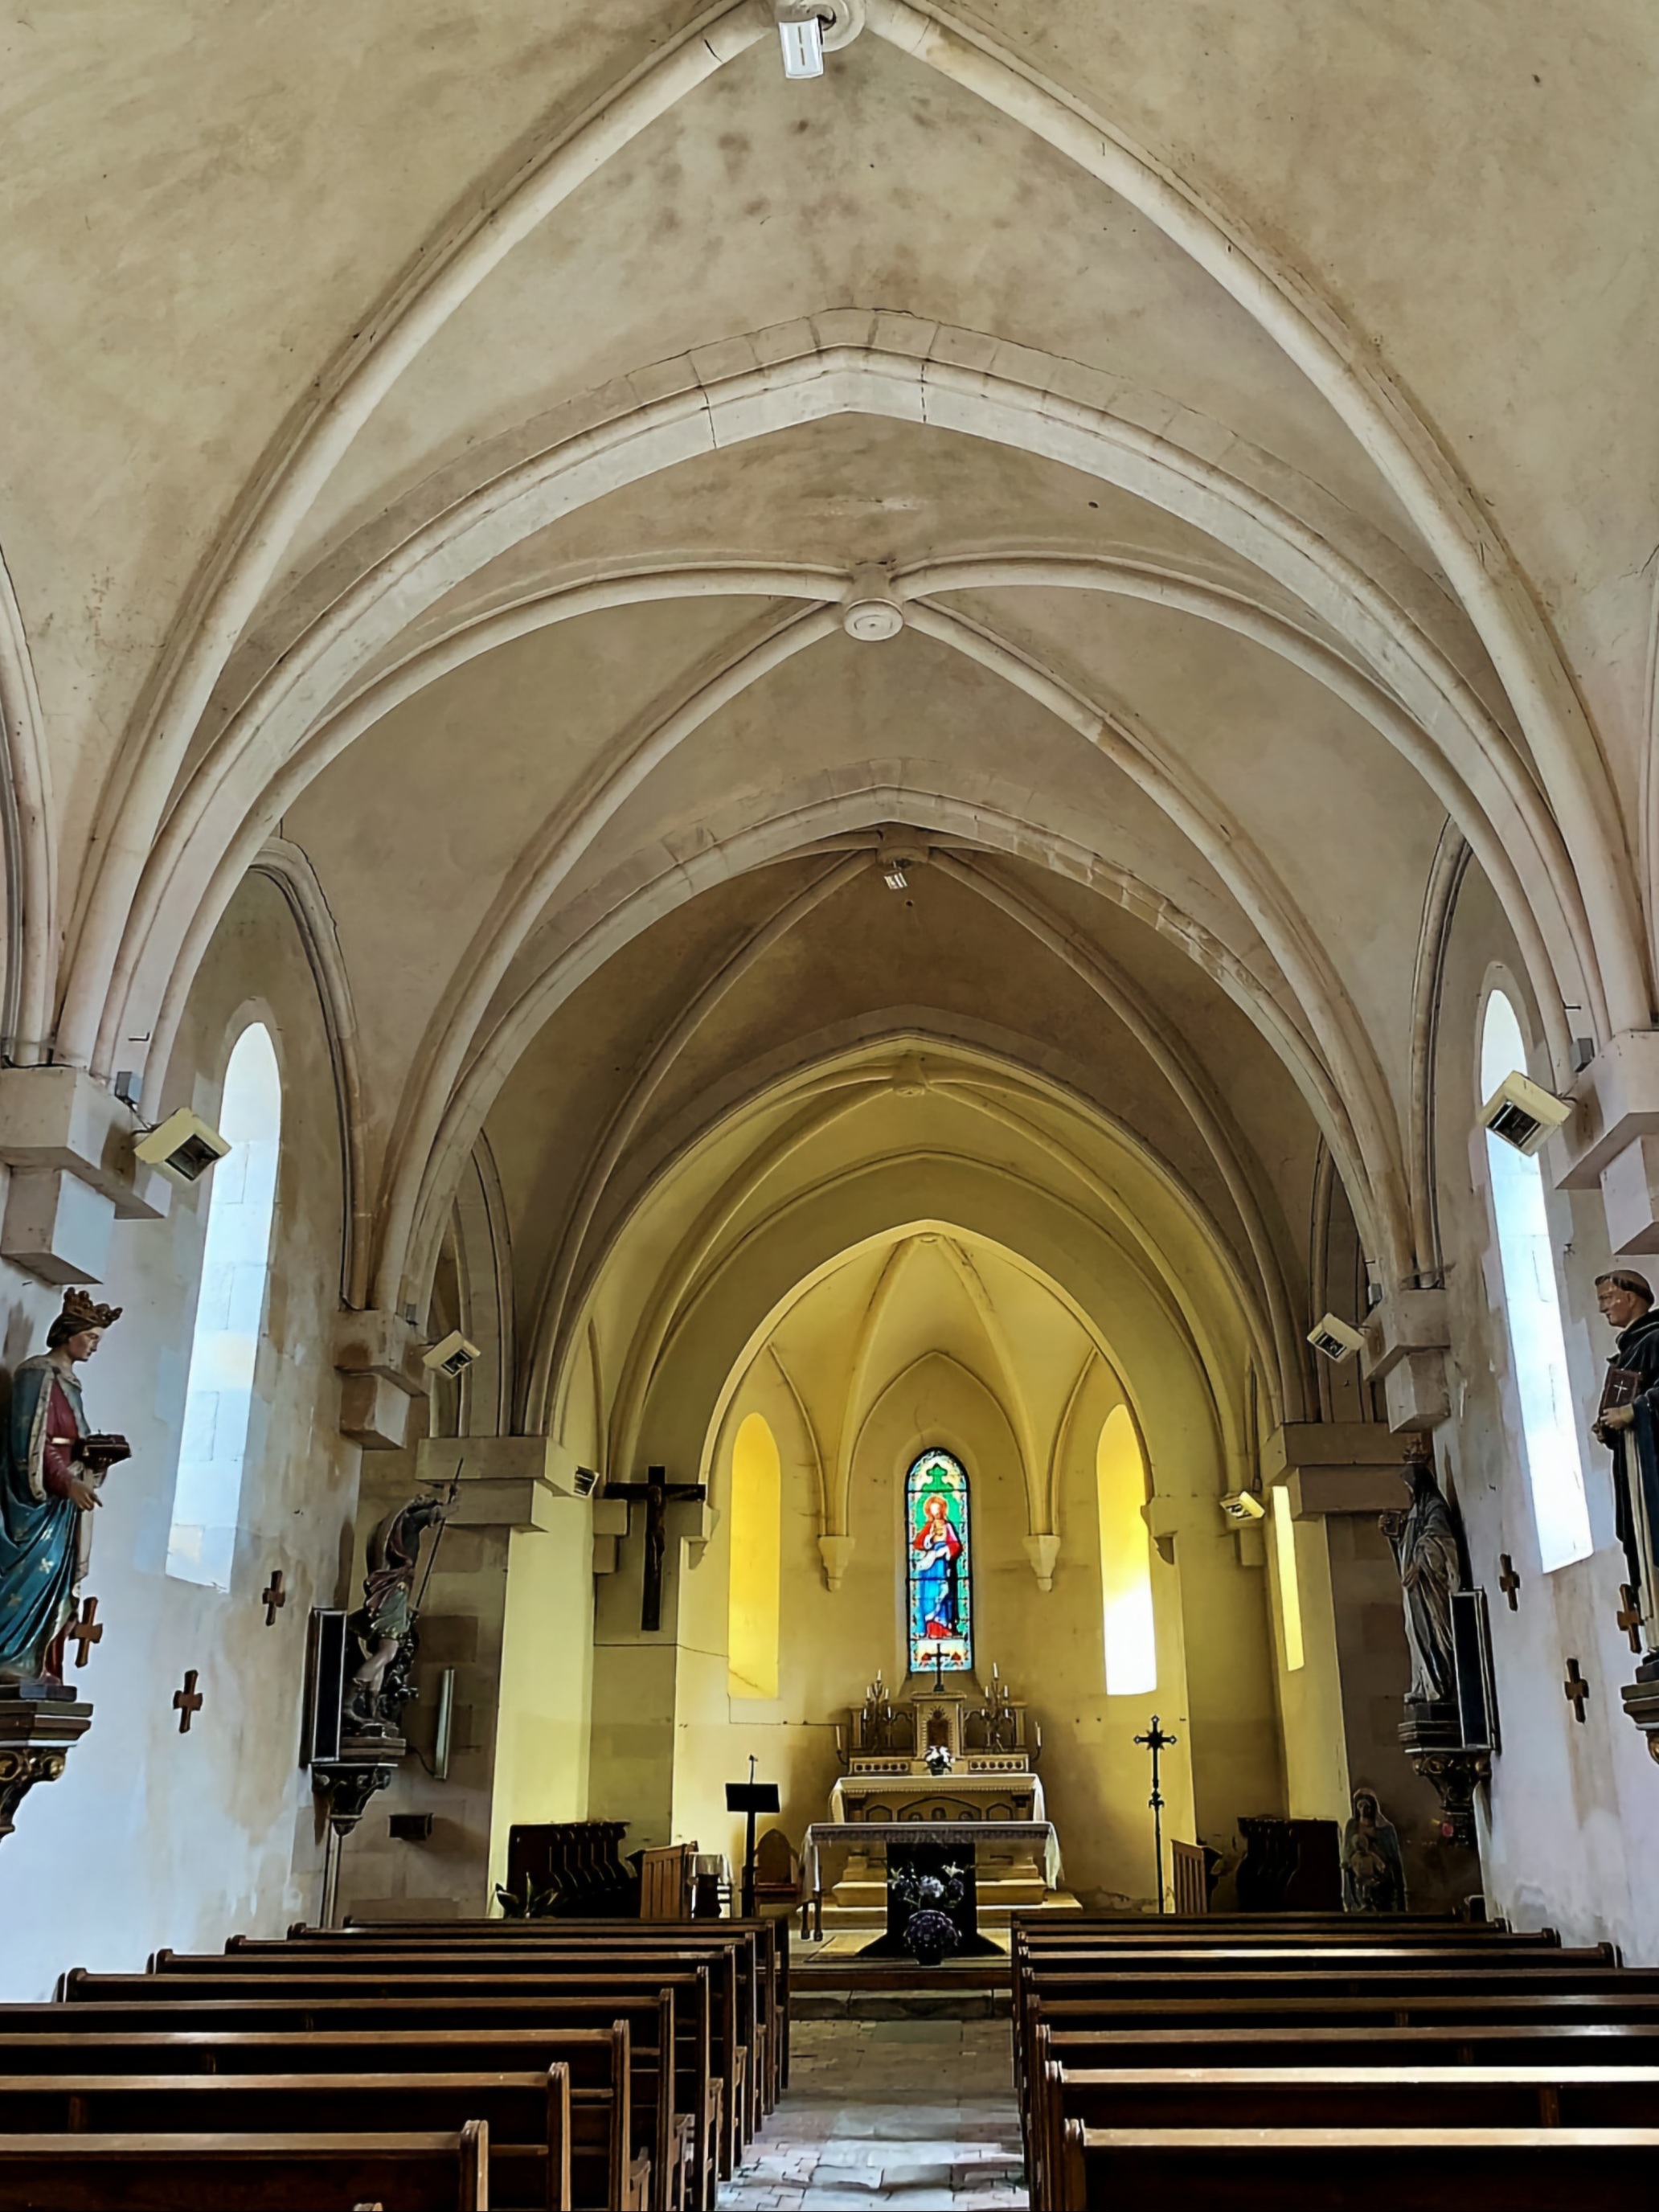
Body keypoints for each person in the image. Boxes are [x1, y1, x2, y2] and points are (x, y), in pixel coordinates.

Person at [0, 1289, 129, 1682]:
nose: (94, 1346)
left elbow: (73, 1441)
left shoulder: (70, 1383)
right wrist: (67, 1482)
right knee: (38, 1570)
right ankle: (10, 1656)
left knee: (57, 1573)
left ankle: (34, 1661)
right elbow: (30, 1441)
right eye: (90, 1337)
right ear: (68, 1333)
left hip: (63, 1504)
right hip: (37, 1502)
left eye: (97, 1339)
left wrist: (96, 1460)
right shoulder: (37, 1374)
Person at [1592, 1268, 1659, 1667]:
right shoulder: (1628, 1351)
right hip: (1634, 1466)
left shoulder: (1655, 1339)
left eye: (1608, 1298)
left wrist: (1635, 1411)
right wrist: (1609, 1427)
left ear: (1632, 1297)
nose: (1603, 1308)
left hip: (1653, 1468)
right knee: (1640, 1542)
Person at [1378, 1437, 1460, 1707]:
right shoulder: (1417, 1509)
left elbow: (1439, 1540)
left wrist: (1420, 1564)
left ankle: (1439, 1684)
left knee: (1432, 1631)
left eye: (1410, 1486)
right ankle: (1423, 1684)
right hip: (1415, 1589)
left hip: (1429, 1588)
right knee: (1414, 1631)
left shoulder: (1435, 1507)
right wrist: (1394, 1533)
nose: (1408, 1491)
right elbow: (1409, 1541)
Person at [911, 1491, 963, 1644]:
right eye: (933, 1510)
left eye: (938, 1509)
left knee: (942, 1593)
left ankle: (943, 1627)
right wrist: (930, 1537)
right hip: (929, 1569)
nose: (936, 1513)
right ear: (929, 1512)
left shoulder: (948, 1526)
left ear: (942, 1510)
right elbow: (918, 1543)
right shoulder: (928, 1526)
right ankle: (929, 1629)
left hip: (942, 1565)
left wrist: (945, 1550)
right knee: (929, 1595)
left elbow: (956, 1545)